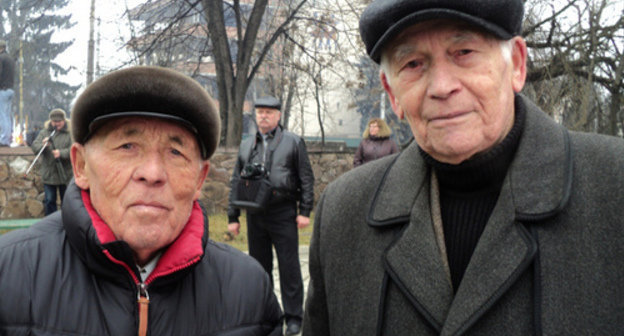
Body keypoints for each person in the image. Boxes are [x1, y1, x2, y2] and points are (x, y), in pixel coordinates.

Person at [303, 0, 624, 335]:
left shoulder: (614, 186)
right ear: (392, 94)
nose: (442, 87)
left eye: (465, 52)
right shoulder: (344, 214)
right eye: (413, 64)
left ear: (515, 64)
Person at [0, 66, 282, 335]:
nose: (153, 173)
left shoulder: (248, 292)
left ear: (200, 179)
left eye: (175, 152)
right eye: (127, 146)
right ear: (81, 166)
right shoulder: (9, 276)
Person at [228, 96, 315, 336]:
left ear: (278, 115)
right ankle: (265, 314)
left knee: (289, 267)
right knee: (259, 268)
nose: (263, 116)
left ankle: (294, 317)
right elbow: (236, 180)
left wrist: (304, 211)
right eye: (260, 112)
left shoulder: (293, 142)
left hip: (283, 210)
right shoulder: (247, 144)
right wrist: (233, 216)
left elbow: (306, 178)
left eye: (268, 112)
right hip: (255, 212)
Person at [31, 108, 73, 215]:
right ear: (50, 121)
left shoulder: (70, 134)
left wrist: (61, 153)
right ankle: (50, 222)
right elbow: (35, 147)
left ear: (64, 120)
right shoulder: (44, 133)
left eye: (59, 121)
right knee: (49, 200)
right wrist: (43, 145)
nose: (57, 124)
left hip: (65, 174)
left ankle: (67, 222)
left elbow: (75, 149)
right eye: (54, 121)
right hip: (49, 173)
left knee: (67, 201)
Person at [0, 39, 15, 146]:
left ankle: (4, 140)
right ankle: (7, 139)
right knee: (8, 116)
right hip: (10, 89)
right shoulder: (10, 59)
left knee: (3, 116)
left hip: (3, 89)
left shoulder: (1, 58)